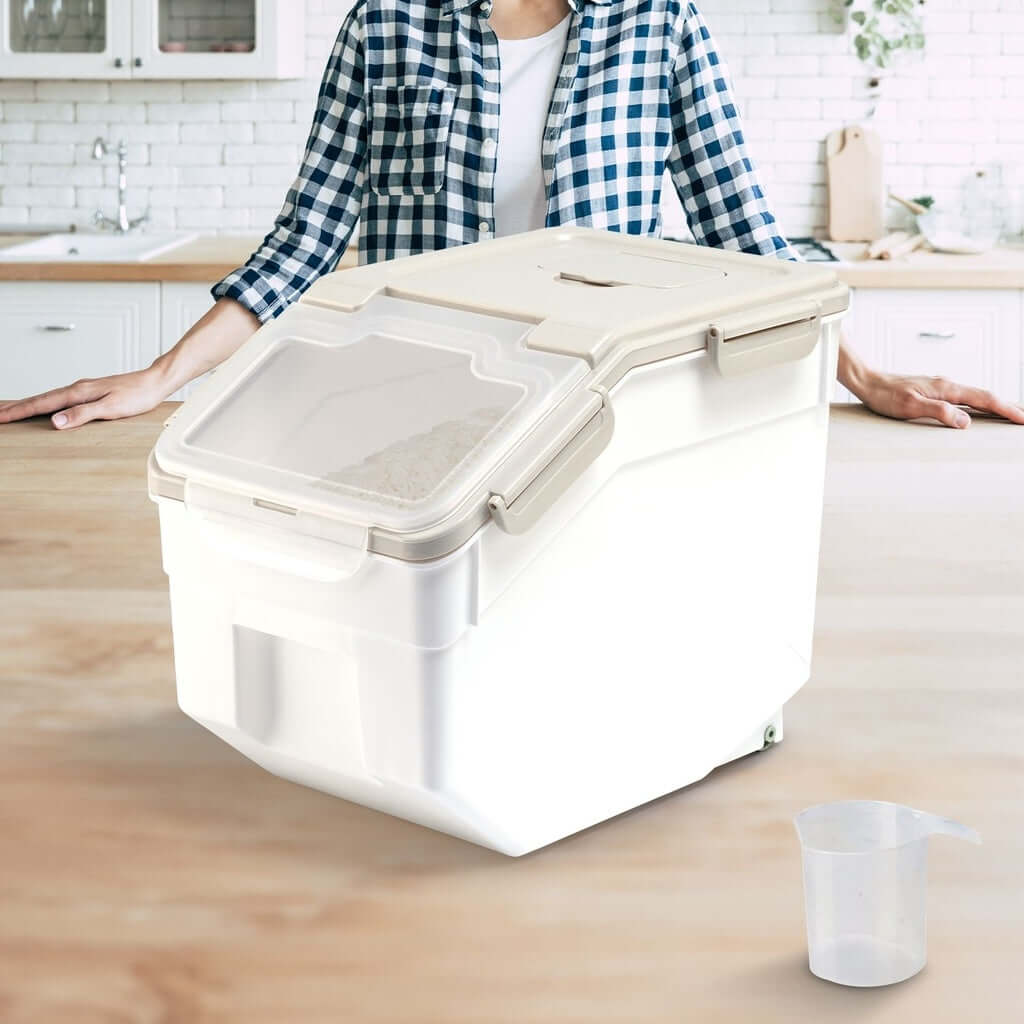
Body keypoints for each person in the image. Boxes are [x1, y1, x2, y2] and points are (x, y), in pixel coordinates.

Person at [2, 0, 1022, 432]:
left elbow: (743, 235)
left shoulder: (658, 23)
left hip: (595, 407)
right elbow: (303, 246)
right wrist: (160, 378)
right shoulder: (385, 24)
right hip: (410, 401)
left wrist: (863, 373)